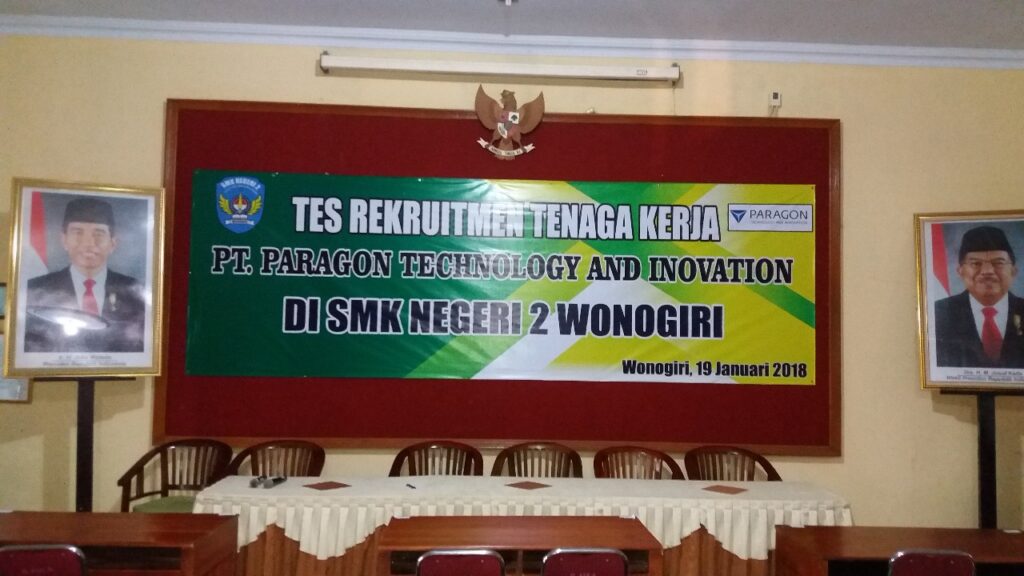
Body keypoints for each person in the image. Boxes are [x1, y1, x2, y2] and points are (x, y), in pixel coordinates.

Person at [24, 196, 146, 353]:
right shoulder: (34, 289)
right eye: (78, 232)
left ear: (113, 243)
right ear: (64, 240)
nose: (88, 243)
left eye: (99, 233)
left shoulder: (136, 293)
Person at [934, 225, 1024, 368]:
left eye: (998, 263)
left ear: (1013, 271)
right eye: (975, 263)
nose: (987, 271)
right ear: (960, 271)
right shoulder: (938, 313)